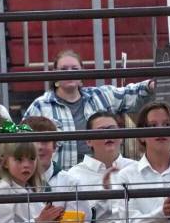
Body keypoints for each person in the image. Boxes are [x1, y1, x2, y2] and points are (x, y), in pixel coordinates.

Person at [23, 48, 154, 170]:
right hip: (60, 181)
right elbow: (21, 138)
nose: (69, 72)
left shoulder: (100, 96)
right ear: (55, 74)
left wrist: (150, 85)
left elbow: (131, 93)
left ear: (82, 74)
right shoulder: (40, 105)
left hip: (100, 176)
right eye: (64, 68)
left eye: (74, 68)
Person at [61, 111, 135, 223]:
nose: (108, 135)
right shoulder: (74, 175)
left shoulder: (136, 168)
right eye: (101, 131)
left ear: (122, 136)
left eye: (112, 129)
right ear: (88, 140)